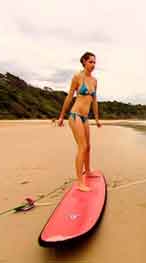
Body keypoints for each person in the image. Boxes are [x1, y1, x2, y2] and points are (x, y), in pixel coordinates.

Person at [58, 52, 102, 192]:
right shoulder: (77, 77)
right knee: (82, 147)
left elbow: (94, 101)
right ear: (83, 62)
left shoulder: (94, 81)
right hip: (75, 115)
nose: (93, 65)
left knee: (88, 146)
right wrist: (61, 116)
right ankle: (80, 182)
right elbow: (70, 97)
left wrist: (96, 118)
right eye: (90, 62)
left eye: (94, 62)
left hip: (85, 117)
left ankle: (88, 171)